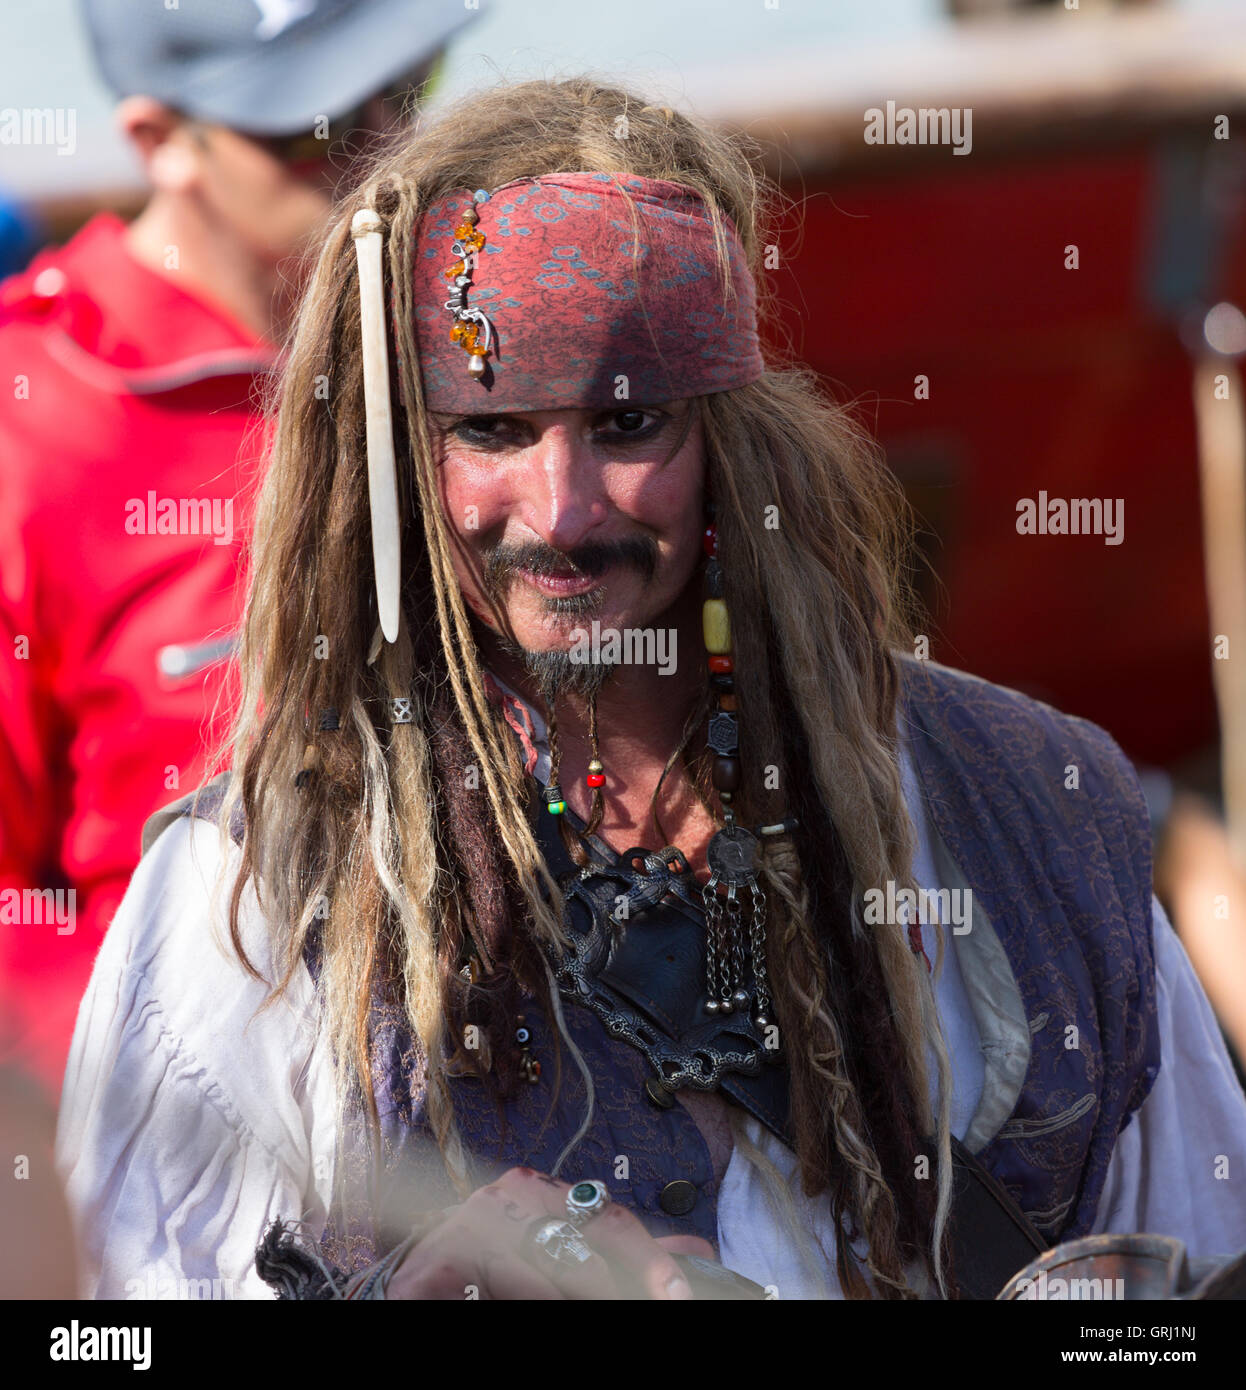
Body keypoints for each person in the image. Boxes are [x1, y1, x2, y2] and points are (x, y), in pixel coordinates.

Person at [56, 77, 1246, 1301]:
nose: (562, 512)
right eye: (493, 428)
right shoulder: (251, 901)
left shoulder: (1027, 814)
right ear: (402, 452)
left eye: (628, 426)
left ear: (728, 437)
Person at [0, 0, 474, 1097]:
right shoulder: (31, 432)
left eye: (408, 86)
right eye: (313, 123)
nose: (384, 152)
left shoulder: (476, 342)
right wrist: (232, 1052)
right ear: (160, 140)